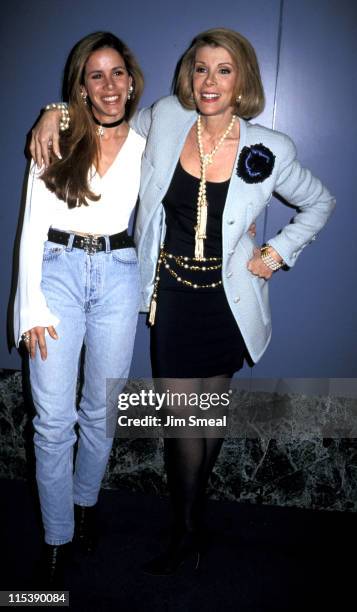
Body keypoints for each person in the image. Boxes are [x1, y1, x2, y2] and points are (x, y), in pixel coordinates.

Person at [30, 27, 335, 576]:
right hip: (170, 297)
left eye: (223, 69)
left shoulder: (271, 147)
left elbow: (320, 202)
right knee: (180, 422)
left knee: (208, 416)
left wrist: (276, 252)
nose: (210, 80)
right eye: (200, 68)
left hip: (228, 302)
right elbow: (105, 111)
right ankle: (185, 527)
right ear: (187, 78)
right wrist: (55, 110)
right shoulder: (167, 118)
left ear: (242, 79)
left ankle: (190, 526)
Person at [15, 31, 145, 585]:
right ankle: (56, 536)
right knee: (52, 422)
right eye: (96, 75)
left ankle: (86, 506)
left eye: (117, 73)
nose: (109, 85)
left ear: (132, 81)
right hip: (57, 272)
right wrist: (30, 307)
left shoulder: (149, 141)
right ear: (82, 87)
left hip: (119, 277)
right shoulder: (58, 137)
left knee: (101, 411)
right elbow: (30, 228)